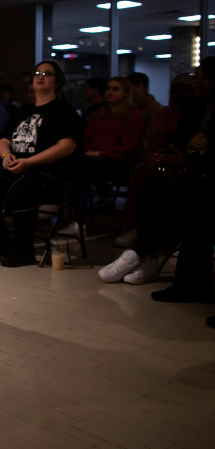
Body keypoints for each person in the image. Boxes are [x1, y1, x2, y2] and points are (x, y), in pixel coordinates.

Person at [99, 58, 214, 293]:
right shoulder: (194, 108)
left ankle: (138, 253)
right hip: (188, 176)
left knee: (184, 201)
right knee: (149, 190)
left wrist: (187, 160)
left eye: (203, 77)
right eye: (196, 76)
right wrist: (167, 156)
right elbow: (177, 141)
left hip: (207, 179)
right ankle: (148, 258)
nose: (197, 82)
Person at [0, 61, 82, 266]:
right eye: (37, 73)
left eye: (47, 74)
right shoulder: (23, 111)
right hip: (18, 168)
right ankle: (1, 238)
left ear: (57, 82)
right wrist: (6, 156)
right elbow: (4, 140)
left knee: (20, 189)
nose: (40, 76)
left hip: (49, 173)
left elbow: (67, 146)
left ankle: (23, 248)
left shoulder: (63, 111)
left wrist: (29, 161)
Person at [113, 74, 193, 249]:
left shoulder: (199, 116)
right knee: (141, 172)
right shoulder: (164, 114)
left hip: (192, 166)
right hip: (162, 162)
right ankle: (135, 228)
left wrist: (185, 160)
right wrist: (154, 162)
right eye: (177, 90)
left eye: (186, 90)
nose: (181, 95)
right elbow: (154, 144)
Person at [82, 76, 145, 207]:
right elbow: (86, 138)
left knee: (80, 164)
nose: (110, 92)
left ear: (126, 93)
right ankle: (74, 215)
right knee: (77, 165)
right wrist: (89, 151)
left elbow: (130, 148)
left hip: (121, 163)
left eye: (115, 89)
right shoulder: (98, 115)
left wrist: (101, 154)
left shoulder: (133, 115)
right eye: (108, 89)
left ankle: (75, 215)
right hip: (95, 160)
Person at [126, 72, 164, 136]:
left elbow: (152, 136)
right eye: (130, 86)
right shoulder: (125, 106)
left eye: (137, 85)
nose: (132, 89)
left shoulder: (154, 108)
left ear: (145, 88)